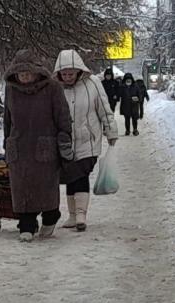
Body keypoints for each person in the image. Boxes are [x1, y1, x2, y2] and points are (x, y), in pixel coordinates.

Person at [3, 49, 73, 242]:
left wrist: (65, 140)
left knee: (46, 187)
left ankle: (50, 217)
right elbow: (7, 119)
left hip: (45, 146)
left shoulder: (52, 88)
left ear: (37, 71)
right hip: (19, 146)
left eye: (27, 72)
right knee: (21, 187)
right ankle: (26, 225)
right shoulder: (11, 89)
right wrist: (7, 143)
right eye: (20, 73)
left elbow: (63, 116)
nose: (24, 77)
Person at [52, 49, 119, 232]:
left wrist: (111, 131)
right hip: (65, 142)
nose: (67, 77)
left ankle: (81, 214)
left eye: (71, 74)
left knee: (80, 174)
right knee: (70, 176)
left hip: (88, 140)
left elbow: (104, 108)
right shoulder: (55, 88)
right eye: (64, 74)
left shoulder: (93, 83)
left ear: (79, 71)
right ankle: (72, 215)